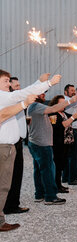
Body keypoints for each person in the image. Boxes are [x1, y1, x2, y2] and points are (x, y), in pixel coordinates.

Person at [0, 69, 60, 232]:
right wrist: (47, 83)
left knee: (6, 183)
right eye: (6, 81)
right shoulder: (3, 96)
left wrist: (39, 82)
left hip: (10, 146)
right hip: (4, 148)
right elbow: (21, 95)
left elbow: (22, 93)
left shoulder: (6, 96)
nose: (9, 84)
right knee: (3, 185)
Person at [3, 76, 30, 215]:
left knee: (17, 174)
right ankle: (10, 205)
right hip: (12, 142)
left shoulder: (17, 100)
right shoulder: (10, 100)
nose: (19, 88)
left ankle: (13, 203)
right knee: (11, 175)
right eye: (16, 85)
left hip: (18, 141)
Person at [48, 95, 77, 194]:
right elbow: (61, 125)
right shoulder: (53, 113)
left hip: (66, 141)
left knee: (62, 164)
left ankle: (59, 184)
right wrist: (73, 117)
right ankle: (56, 185)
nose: (64, 104)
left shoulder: (62, 113)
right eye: (62, 102)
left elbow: (71, 118)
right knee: (57, 164)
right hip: (57, 142)